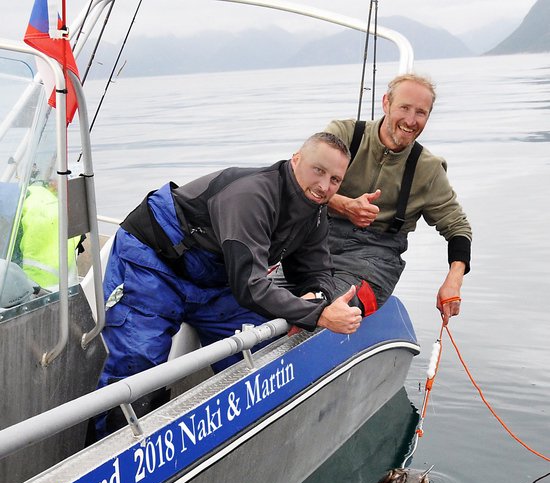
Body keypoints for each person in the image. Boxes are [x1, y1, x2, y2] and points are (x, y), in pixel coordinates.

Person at [92, 132, 360, 438]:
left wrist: (317, 298)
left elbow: (316, 270)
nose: (325, 186)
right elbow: (250, 286)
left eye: (336, 180)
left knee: (264, 344)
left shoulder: (314, 213)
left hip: (213, 279)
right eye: (319, 171)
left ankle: (249, 432)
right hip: (154, 264)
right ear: (296, 159)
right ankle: (112, 454)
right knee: (135, 366)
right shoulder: (252, 195)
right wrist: (318, 315)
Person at [323, 73, 472, 326]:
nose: (411, 120)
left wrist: (453, 280)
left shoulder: (429, 169)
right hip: (318, 241)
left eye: (421, 112)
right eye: (404, 108)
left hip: (375, 258)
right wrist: (344, 205)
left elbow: (458, 228)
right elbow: (298, 181)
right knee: (268, 296)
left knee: (327, 304)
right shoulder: (343, 136)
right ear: (386, 103)